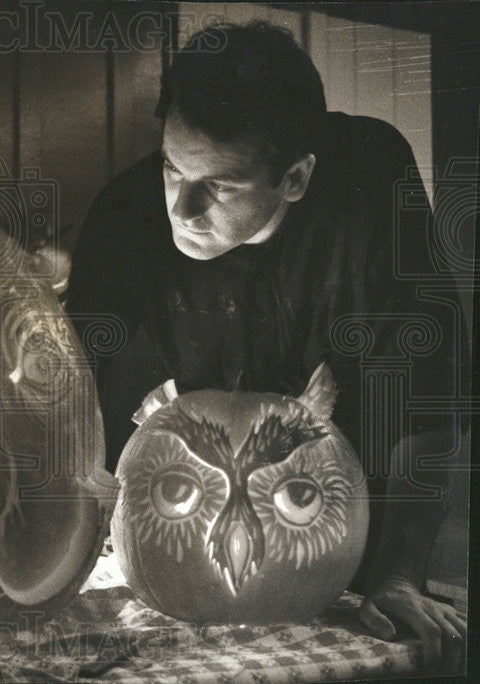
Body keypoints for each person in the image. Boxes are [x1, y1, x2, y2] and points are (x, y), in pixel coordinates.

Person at [66, 21, 466, 672]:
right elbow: (70, 384)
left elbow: (425, 392)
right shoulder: (126, 213)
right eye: (172, 168)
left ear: (296, 179)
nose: (183, 209)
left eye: (220, 186)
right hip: (195, 513)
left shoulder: (369, 182)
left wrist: (399, 573)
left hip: (350, 517)